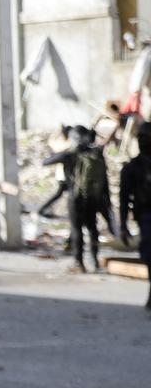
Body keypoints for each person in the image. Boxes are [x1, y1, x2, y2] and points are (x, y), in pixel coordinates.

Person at [45, 126, 109, 273]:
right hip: (93, 198)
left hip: (75, 198)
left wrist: (64, 148)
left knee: (76, 229)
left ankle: (78, 262)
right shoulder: (97, 154)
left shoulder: (69, 155)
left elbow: (46, 161)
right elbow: (105, 181)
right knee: (93, 229)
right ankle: (95, 261)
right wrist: (106, 201)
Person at [119, 123, 151, 309]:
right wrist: (123, 226)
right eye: (141, 138)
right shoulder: (132, 168)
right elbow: (124, 199)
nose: (143, 142)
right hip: (145, 215)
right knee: (148, 254)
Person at [38, 126, 74, 218]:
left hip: (64, 176)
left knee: (61, 194)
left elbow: (51, 141)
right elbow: (53, 142)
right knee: (66, 195)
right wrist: (59, 131)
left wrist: (59, 131)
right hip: (65, 176)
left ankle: (42, 209)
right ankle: (42, 209)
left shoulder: (63, 145)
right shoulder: (66, 145)